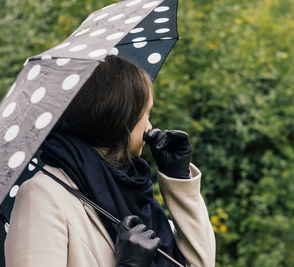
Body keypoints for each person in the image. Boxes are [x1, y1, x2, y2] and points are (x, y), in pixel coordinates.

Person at [4, 55, 215, 267]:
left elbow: (201, 263)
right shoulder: (43, 194)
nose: (150, 127)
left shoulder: (133, 193)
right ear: (119, 115)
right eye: (146, 113)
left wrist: (178, 178)